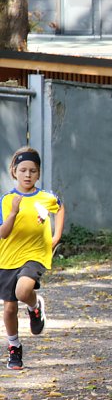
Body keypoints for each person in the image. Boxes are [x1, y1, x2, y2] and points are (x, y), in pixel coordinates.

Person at [0, 148, 64, 370]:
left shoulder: (46, 197)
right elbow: (3, 233)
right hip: (8, 257)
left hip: (35, 254)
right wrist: (13, 213)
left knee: (22, 291)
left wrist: (56, 236)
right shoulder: (7, 200)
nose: (28, 175)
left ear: (38, 174)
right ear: (14, 172)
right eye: (23, 170)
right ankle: (14, 347)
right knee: (9, 310)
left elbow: (60, 206)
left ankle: (34, 304)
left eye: (33, 171)